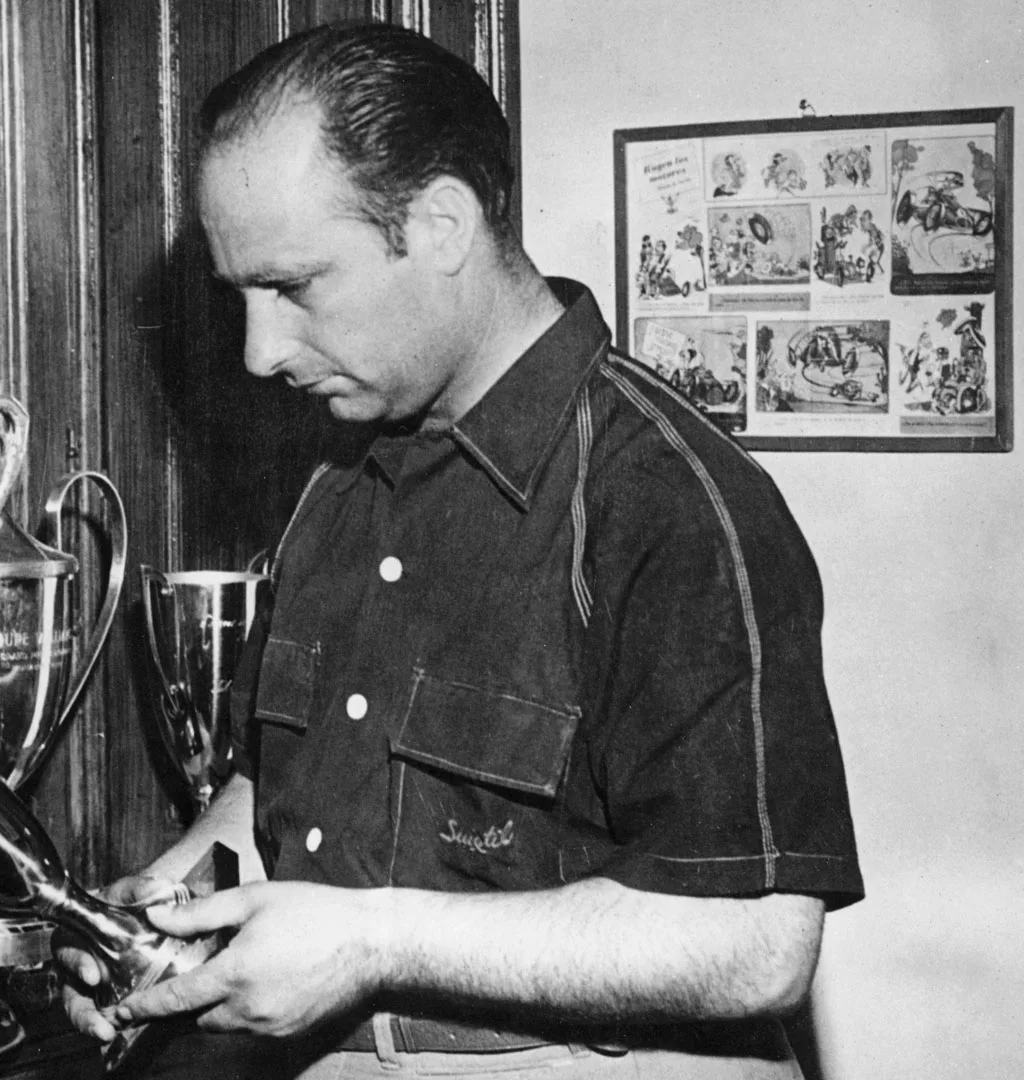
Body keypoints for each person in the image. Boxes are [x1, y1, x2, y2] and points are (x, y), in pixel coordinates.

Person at [60, 21, 863, 1080]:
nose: (258, 353)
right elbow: (280, 789)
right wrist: (169, 910)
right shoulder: (337, 483)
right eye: (238, 296)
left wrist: (370, 942)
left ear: (442, 225)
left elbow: (757, 946)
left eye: (293, 287)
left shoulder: (667, 500)